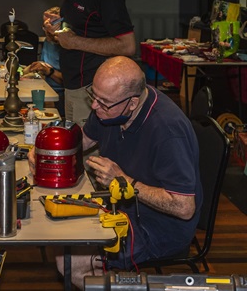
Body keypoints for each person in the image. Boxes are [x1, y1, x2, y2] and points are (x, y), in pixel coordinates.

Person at [28, 56, 202, 289]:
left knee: (70, 264)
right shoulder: (111, 106)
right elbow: (84, 140)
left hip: (158, 227)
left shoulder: (167, 130)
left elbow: (183, 207)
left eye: (103, 102)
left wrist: (125, 181)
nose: (95, 106)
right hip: (118, 206)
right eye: (94, 96)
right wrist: (46, 151)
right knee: (59, 230)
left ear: (132, 103)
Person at [38, 0, 136, 127]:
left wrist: (75, 42)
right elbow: (82, 29)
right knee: (75, 150)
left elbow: (127, 45)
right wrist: (56, 27)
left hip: (93, 91)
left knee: (89, 152)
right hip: (72, 85)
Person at [22, 7, 65, 117]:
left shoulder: (66, 47)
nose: (46, 30)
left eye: (49, 25)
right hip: (46, 89)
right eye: (44, 26)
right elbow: (46, 64)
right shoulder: (48, 41)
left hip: (60, 95)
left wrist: (49, 71)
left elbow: (68, 81)